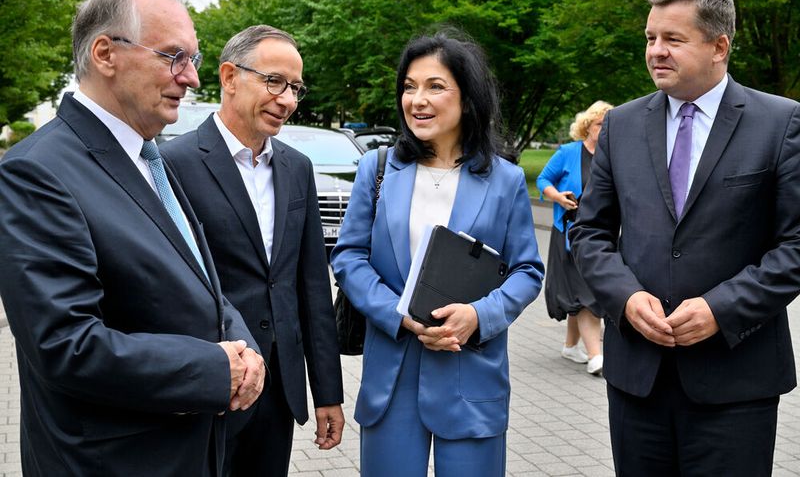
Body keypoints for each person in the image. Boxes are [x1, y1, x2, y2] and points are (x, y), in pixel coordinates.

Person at [0, 0, 266, 476]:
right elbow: (66, 345)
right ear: (105, 54)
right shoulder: (37, 172)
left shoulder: (149, 157)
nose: (191, 78)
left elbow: (198, 280)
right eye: (173, 57)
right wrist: (216, 369)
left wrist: (243, 346)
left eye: (194, 59)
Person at [570, 0, 800, 476]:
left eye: (673, 39)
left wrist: (722, 308)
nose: (656, 51)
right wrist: (626, 299)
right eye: (650, 38)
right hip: (637, 379)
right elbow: (590, 232)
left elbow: (796, 245)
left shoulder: (780, 123)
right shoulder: (622, 126)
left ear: (720, 46)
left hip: (736, 380)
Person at [330, 31, 544, 477]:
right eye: (409, 86)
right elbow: (349, 257)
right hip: (393, 373)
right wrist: (396, 312)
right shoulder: (379, 167)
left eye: (434, 86)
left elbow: (526, 270)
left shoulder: (503, 179)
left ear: (467, 98)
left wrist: (478, 316)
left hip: (470, 373)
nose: (417, 100)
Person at [161, 25, 345, 476]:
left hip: (278, 390)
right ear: (228, 76)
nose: (286, 100)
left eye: (295, 88)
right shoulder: (171, 164)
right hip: (210, 387)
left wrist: (327, 392)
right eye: (274, 81)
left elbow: (312, 287)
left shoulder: (297, 168)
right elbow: (166, 289)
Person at [537, 100, 612, 376]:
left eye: (608, 125)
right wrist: (557, 197)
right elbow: (544, 180)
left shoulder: (612, 155)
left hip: (601, 233)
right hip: (569, 232)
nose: (604, 130)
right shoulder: (568, 152)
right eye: (599, 124)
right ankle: (596, 356)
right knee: (586, 292)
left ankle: (571, 346)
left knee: (582, 290)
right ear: (587, 127)